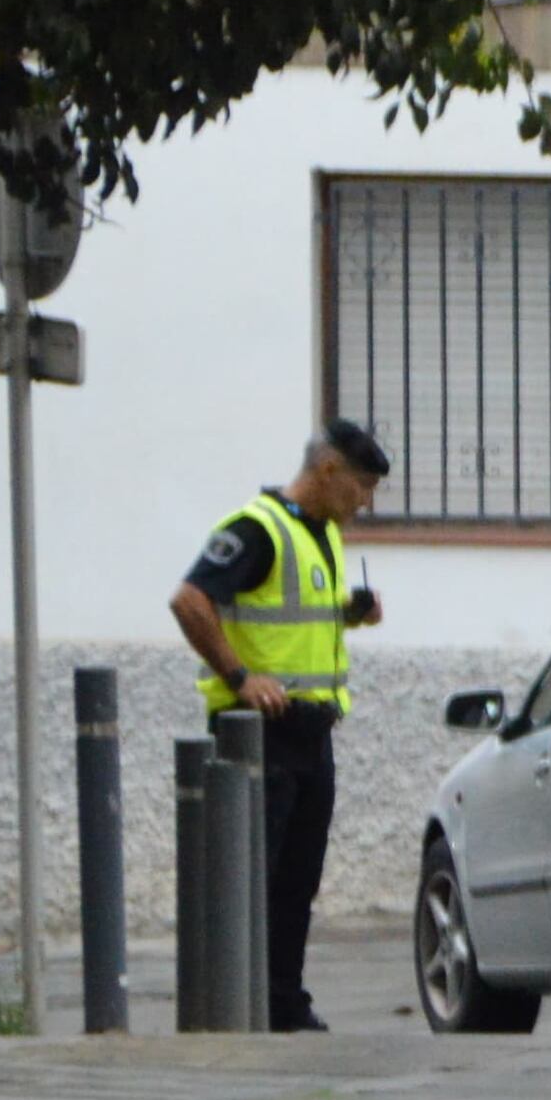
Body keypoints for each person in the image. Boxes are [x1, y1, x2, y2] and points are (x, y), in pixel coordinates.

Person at [167, 422, 387, 1034]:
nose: (364, 502)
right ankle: (241, 1006)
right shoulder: (259, 528)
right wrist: (239, 677)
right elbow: (190, 601)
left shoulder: (320, 537)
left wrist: (351, 615)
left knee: (297, 880)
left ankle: (283, 1001)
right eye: (361, 486)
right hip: (258, 732)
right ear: (327, 472)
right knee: (251, 878)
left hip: (312, 732)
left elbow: (288, 617)